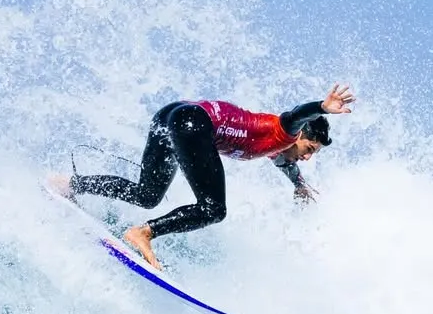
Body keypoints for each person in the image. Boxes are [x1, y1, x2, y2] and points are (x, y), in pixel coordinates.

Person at [53, 84, 355, 269]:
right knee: (213, 208)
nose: (307, 156)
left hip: (173, 114)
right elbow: (295, 115)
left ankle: (69, 185)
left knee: (147, 194)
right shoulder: (284, 130)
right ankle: (142, 233)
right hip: (194, 123)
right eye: (309, 148)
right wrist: (322, 108)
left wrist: (299, 183)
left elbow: (286, 164)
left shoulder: (277, 150)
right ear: (299, 136)